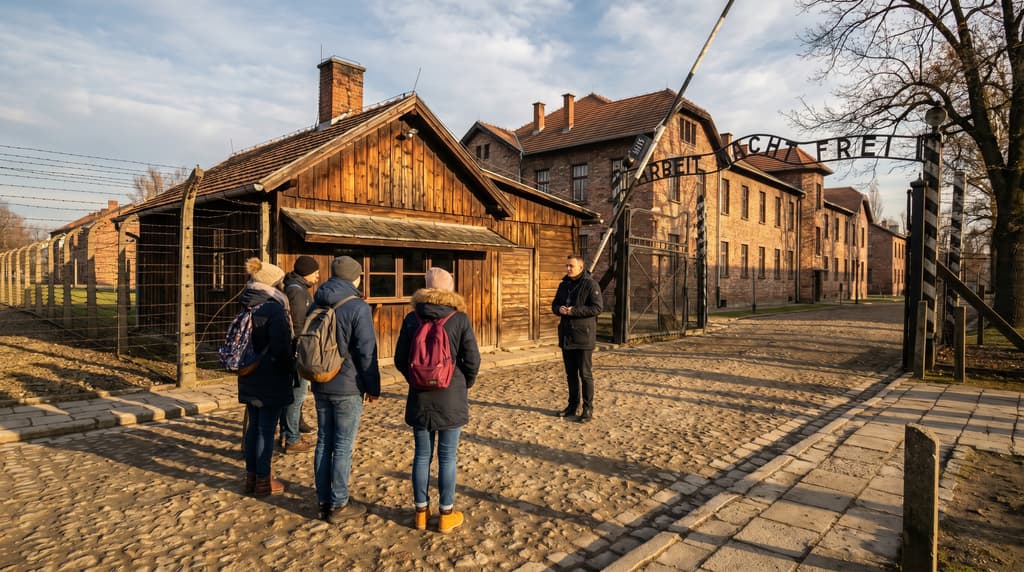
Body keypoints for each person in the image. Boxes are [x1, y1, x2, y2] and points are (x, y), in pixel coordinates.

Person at [394, 267, 480, 533]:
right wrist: (463, 382)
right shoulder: (459, 318)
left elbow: (400, 359)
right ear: (449, 289)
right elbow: (472, 359)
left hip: (420, 397)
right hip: (451, 395)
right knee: (447, 457)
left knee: (421, 455)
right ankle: (446, 514)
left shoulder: (412, 318)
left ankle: (420, 513)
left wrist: (416, 378)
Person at [311, 255, 381, 523]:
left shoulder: (317, 301)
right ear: (355, 277)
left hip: (320, 379)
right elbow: (366, 351)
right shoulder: (357, 307)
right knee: (342, 445)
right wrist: (373, 387)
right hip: (348, 384)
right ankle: (339, 504)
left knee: (323, 441)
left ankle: (323, 500)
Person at [237, 258, 294, 496]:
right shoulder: (274, 309)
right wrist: (290, 366)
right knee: (266, 430)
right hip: (270, 376)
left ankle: (251, 477)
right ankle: (263, 480)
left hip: (249, 373)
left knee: (253, 428)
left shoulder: (247, 304)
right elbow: (281, 348)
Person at [551, 254, 603, 423]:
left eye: (571, 266)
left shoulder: (590, 284)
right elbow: (554, 304)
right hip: (567, 336)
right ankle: (572, 406)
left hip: (584, 337)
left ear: (580, 267)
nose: (568, 268)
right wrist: (559, 309)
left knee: (585, 374)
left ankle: (587, 409)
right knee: (570, 374)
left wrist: (574, 311)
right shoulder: (563, 284)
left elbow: (597, 308)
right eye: (567, 265)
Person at [279, 255, 320, 453]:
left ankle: (288, 433)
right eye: (315, 273)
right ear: (306, 272)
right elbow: (298, 323)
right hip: (298, 350)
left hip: (296, 348)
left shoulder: (297, 288)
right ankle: (292, 438)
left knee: (294, 395)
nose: (318, 276)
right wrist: (303, 348)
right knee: (297, 395)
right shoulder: (296, 291)